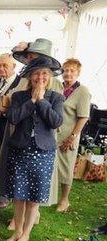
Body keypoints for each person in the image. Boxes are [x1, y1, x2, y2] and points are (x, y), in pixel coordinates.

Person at [4, 56, 64, 241]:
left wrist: (41, 101)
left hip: (43, 153)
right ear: (30, 76)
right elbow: (13, 118)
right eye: (37, 73)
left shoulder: (56, 97)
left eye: (44, 74)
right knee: (18, 196)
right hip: (20, 150)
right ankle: (18, 231)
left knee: (34, 198)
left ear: (50, 76)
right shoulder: (19, 96)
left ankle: (26, 234)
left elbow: (56, 122)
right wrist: (31, 100)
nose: (40, 77)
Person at [55, 59, 91, 213]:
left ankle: (64, 200)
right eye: (65, 70)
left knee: (66, 168)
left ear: (78, 73)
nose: (68, 73)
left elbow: (83, 117)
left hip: (68, 136)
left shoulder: (82, 91)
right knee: (52, 168)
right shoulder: (58, 87)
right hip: (53, 135)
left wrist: (72, 137)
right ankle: (50, 197)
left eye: (71, 70)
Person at [0, 53, 21, 209]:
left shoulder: (20, 83)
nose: (1, 68)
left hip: (9, 127)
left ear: (14, 67)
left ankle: (5, 195)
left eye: (5, 66)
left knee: (7, 161)